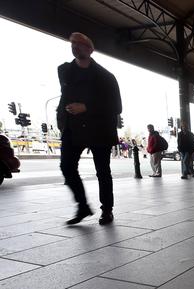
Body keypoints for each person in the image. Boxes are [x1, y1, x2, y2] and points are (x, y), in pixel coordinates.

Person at [56, 32, 122, 226]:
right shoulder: (64, 71)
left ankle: (107, 210)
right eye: (73, 43)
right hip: (73, 127)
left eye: (80, 44)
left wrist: (86, 107)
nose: (75, 46)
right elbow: (64, 95)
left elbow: (116, 106)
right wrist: (62, 118)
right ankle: (82, 205)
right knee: (67, 167)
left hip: (99, 129)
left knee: (102, 172)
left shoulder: (106, 77)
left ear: (90, 50)